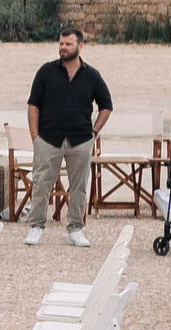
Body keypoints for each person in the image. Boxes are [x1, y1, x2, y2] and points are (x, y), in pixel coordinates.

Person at [23, 28, 113, 246]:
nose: (63, 47)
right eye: (61, 43)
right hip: (48, 138)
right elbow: (33, 105)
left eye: (68, 44)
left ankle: (75, 229)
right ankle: (36, 226)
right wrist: (35, 137)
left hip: (80, 140)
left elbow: (106, 106)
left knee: (79, 186)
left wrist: (93, 132)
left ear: (80, 46)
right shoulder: (46, 72)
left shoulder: (92, 75)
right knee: (41, 183)